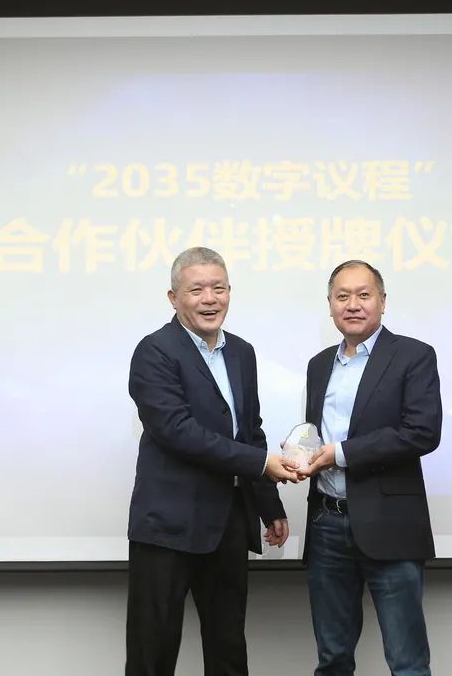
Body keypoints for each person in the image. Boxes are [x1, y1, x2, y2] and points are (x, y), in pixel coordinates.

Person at [125, 246, 300, 676]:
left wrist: (269, 505)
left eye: (218, 288)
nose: (209, 299)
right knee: (152, 653)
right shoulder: (154, 351)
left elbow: (249, 430)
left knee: (228, 649)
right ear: (173, 298)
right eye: (197, 289)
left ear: (230, 292)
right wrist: (260, 463)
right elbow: (177, 431)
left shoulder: (242, 352)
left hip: (227, 526)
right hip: (167, 527)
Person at [296, 259, 442, 676]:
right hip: (326, 524)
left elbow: (422, 433)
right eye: (342, 296)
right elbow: (316, 433)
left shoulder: (413, 355)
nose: (353, 304)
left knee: (407, 662)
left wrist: (340, 453)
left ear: (382, 300)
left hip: (390, 525)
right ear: (330, 305)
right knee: (333, 659)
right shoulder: (319, 364)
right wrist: (301, 456)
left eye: (364, 294)